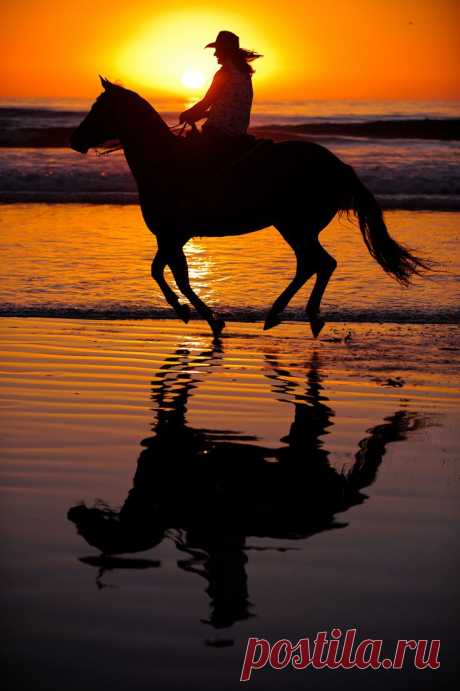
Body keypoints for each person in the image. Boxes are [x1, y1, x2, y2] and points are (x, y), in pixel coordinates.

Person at [179, 31, 262, 163]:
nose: (215, 54)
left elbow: (207, 101)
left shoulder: (224, 73)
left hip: (218, 133)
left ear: (225, 51)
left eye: (218, 50)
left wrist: (188, 113)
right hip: (238, 133)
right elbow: (230, 106)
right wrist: (204, 115)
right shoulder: (244, 74)